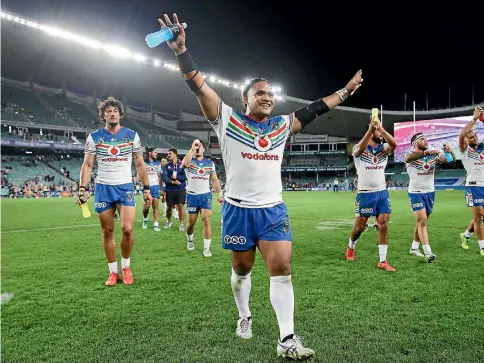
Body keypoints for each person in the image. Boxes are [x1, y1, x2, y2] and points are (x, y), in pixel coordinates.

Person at [156, 12, 363, 360]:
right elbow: (199, 86)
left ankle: (287, 339)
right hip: (237, 210)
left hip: (272, 210)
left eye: (270, 94)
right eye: (260, 93)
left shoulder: (282, 125)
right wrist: (181, 52)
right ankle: (244, 315)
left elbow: (313, 110)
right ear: (245, 98)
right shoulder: (226, 118)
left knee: (282, 269)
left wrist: (344, 91)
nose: (267, 97)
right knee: (241, 271)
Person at [77, 97, 151, 286]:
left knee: (127, 229)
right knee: (107, 231)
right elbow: (87, 165)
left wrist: (147, 189)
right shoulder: (94, 137)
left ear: (120, 114)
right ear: (103, 115)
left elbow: (140, 163)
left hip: (125, 186)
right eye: (108, 110)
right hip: (103, 188)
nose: (112, 113)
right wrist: (82, 188)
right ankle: (113, 272)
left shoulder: (131, 135)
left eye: (115, 110)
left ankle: (126, 267)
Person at [345, 118, 398, 271]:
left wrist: (381, 128)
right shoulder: (359, 148)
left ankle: (382, 261)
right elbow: (358, 151)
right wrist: (370, 129)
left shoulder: (384, 148)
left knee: (383, 224)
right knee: (359, 228)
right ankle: (351, 246)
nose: (380, 134)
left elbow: (394, 144)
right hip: (365, 194)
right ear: (370, 131)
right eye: (378, 131)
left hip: (381, 192)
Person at [404, 133, 456, 262]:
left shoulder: (433, 155)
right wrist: (427, 152)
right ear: (415, 143)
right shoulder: (409, 155)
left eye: (426, 139)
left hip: (430, 192)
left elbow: (450, 160)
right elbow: (409, 158)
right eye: (423, 139)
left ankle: (414, 248)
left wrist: (451, 152)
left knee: (421, 221)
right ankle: (428, 253)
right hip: (415, 193)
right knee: (422, 221)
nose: (426, 141)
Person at [458, 106, 484, 256]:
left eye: (474, 135)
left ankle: (466, 235)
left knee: (483, 218)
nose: (473, 138)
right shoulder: (464, 150)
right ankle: (483, 247)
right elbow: (462, 135)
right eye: (470, 137)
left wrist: (483, 120)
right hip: (473, 187)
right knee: (479, 216)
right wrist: (474, 119)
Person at [181, 139, 223, 256]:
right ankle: (190, 239)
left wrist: (220, 194)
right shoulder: (189, 160)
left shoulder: (210, 163)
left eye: (200, 146)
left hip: (205, 195)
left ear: (204, 149)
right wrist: (192, 149)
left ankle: (206, 248)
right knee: (191, 223)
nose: (198, 148)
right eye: (196, 146)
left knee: (206, 220)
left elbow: (214, 179)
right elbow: (184, 164)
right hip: (192, 196)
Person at [162, 148, 186, 231]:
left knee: (180, 206)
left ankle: (182, 224)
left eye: (170, 153)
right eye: (168, 154)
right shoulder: (166, 166)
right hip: (170, 189)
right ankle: (169, 221)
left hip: (180, 188)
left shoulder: (182, 164)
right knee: (169, 207)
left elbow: (186, 176)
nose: (168, 155)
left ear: (175, 154)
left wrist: (177, 177)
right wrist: (172, 181)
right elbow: (164, 178)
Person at [142, 147, 163, 231]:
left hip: (155, 186)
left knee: (156, 206)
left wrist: (160, 187)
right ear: (150, 153)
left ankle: (156, 224)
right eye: (155, 152)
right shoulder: (144, 163)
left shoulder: (158, 163)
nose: (156, 154)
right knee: (146, 207)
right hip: (147, 187)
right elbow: (140, 175)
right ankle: (145, 219)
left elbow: (159, 176)